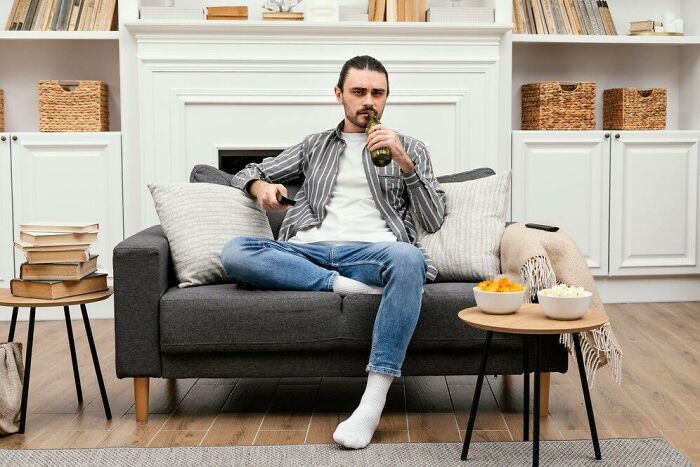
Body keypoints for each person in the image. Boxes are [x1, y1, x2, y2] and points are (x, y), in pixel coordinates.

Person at [221, 55, 446, 449]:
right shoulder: (315, 145)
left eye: (377, 93)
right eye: (359, 92)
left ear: (387, 98)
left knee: (409, 259)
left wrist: (406, 163)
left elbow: (433, 219)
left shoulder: (410, 148)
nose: (368, 102)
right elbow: (247, 171)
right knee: (235, 251)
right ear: (339, 94)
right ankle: (337, 284)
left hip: (373, 253)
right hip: (306, 251)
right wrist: (260, 189)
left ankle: (371, 405)